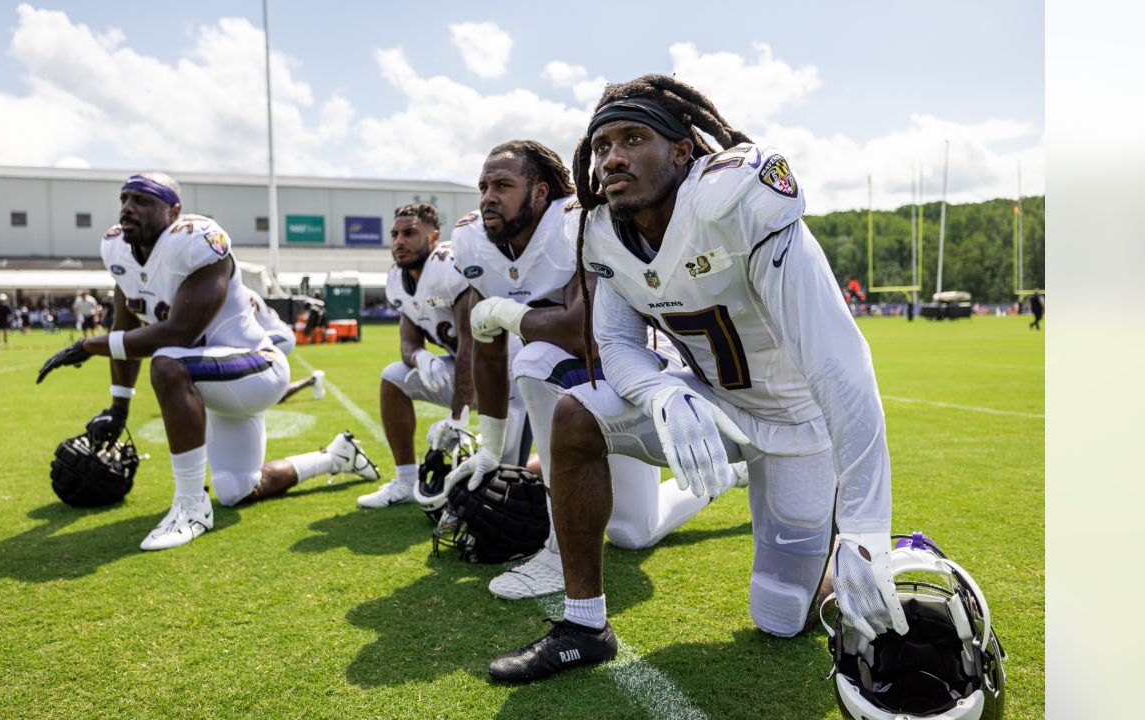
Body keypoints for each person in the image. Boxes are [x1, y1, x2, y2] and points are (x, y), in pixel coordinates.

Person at [488, 76, 906, 683]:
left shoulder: (735, 201)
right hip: (711, 403)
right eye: (602, 145)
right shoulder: (602, 228)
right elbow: (616, 344)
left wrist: (868, 530)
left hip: (797, 423)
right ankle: (584, 625)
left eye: (634, 138)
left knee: (781, 615)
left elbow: (842, 369)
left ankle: (848, 559)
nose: (613, 157)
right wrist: (662, 390)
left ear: (684, 149)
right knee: (577, 414)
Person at [451, 140, 732, 602]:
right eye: (483, 186)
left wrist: (505, 311)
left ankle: (563, 551)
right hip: (574, 386)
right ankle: (562, 548)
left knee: (536, 358)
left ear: (541, 192)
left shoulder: (577, 221)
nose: (487, 197)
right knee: (534, 359)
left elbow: (585, 333)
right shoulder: (472, 243)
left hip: (636, 373)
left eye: (502, 185)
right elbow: (485, 345)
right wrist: (491, 447)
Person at [36, 172, 379, 551]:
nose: (128, 208)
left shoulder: (198, 241)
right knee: (237, 490)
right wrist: (119, 407)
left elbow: (179, 333)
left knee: (168, 362)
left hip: (258, 369)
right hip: (211, 377)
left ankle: (191, 506)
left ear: (174, 211)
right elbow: (125, 325)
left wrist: (88, 346)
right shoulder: (117, 248)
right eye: (125, 198)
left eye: (143, 200)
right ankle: (335, 457)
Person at [356, 204, 529, 508]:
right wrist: (420, 357)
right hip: (468, 371)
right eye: (395, 234)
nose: (399, 241)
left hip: (508, 377)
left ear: (434, 235)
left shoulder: (449, 264)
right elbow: (408, 341)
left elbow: (470, 345)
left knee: (504, 484)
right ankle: (405, 481)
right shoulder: (396, 279)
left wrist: (456, 417)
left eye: (409, 233)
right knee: (393, 377)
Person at [242, 285, 326, 402]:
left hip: (281, 336)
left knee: (267, 392)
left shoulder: (244, 294)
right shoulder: (240, 292)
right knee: (272, 395)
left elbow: (250, 319)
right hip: (275, 336)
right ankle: (313, 380)